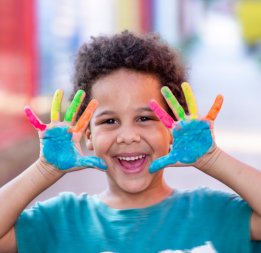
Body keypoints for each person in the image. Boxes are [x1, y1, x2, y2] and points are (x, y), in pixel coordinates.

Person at [0, 31, 261, 253]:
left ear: (173, 129)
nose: (128, 136)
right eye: (110, 121)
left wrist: (213, 159)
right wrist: (45, 169)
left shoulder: (212, 213)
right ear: (87, 135)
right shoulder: (61, 221)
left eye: (145, 118)